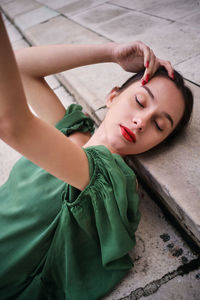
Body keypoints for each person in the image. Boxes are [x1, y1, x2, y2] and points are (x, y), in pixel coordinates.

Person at [0, 14, 193, 300]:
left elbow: (11, 122)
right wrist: (111, 52)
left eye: (158, 125)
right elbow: (19, 67)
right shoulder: (73, 130)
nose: (141, 121)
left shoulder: (112, 181)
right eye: (140, 101)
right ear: (113, 96)